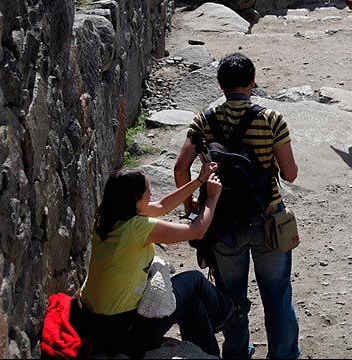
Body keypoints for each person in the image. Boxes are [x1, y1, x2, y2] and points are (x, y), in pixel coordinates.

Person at [174, 53, 301, 360]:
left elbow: (180, 168)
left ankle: (237, 352)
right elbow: (290, 174)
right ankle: (283, 354)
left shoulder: (204, 120)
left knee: (231, 296)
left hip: (222, 221)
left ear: (220, 85)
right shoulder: (272, 119)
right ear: (252, 82)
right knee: (277, 294)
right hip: (267, 216)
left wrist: (191, 204)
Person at [70, 166, 242, 357]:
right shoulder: (138, 228)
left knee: (191, 303)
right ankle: (231, 312)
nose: (151, 194)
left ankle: (209, 352)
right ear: (135, 199)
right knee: (194, 280)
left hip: (92, 325)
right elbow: (197, 231)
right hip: (123, 334)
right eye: (148, 191)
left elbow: (161, 206)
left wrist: (199, 180)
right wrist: (212, 198)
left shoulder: (105, 217)